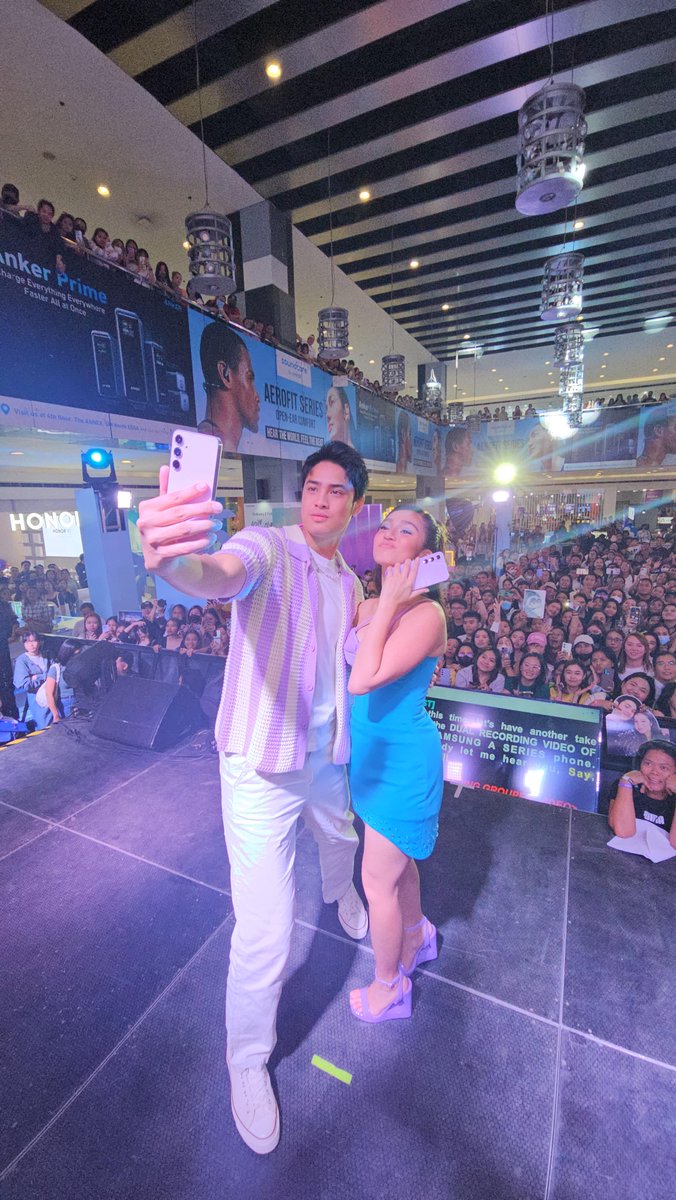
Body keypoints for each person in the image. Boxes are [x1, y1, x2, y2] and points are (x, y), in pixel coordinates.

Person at [137, 440, 370, 1155]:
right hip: (261, 769)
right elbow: (217, 573)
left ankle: (343, 893)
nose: (322, 499)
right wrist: (175, 560)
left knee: (342, 836)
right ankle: (246, 1062)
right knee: (265, 931)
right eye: (314, 487)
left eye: (337, 490)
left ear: (355, 504)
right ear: (303, 494)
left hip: (327, 757)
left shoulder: (351, 583)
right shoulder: (267, 546)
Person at [344, 506, 447, 1022]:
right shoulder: (367, 604)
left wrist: (388, 604)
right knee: (399, 864)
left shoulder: (426, 615)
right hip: (368, 756)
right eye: (386, 525)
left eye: (405, 530)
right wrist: (380, 603)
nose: (388, 533)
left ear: (426, 557)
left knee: (377, 881)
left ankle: (390, 989)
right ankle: (418, 935)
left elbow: (363, 679)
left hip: (404, 763)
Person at [197, 322, 260, 452]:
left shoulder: (214, 443)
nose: (257, 397)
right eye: (249, 378)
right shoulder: (210, 447)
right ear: (225, 374)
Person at [608, 739, 676, 845]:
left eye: (663, 768)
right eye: (648, 764)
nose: (654, 772)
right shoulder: (624, 785)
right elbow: (623, 832)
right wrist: (626, 782)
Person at [13, 631, 51, 728]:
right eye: (27, 642)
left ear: (39, 642)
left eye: (33, 641)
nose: (31, 644)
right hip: (36, 698)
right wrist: (43, 677)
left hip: (52, 693)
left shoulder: (47, 655)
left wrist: (36, 677)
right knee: (43, 726)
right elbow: (24, 684)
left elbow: (55, 672)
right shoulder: (22, 660)